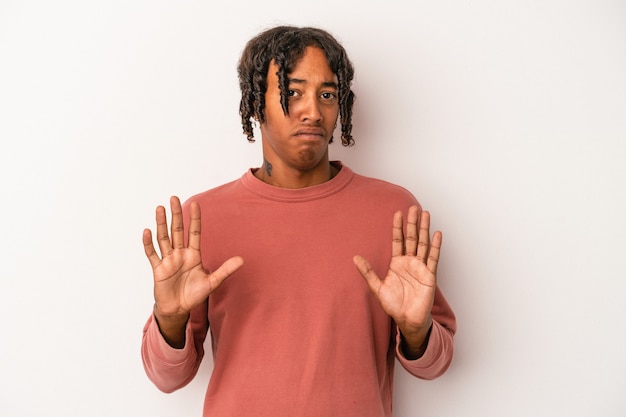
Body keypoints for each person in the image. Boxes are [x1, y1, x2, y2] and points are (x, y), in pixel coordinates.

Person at [141, 25, 456, 417]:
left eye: (327, 94)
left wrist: (416, 332)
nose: (313, 110)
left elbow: (436, 364)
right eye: (293, 92)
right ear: (256, 104)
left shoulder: (393, 212)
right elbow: (166, 377)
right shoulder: (202, 219)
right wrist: (169, 318)